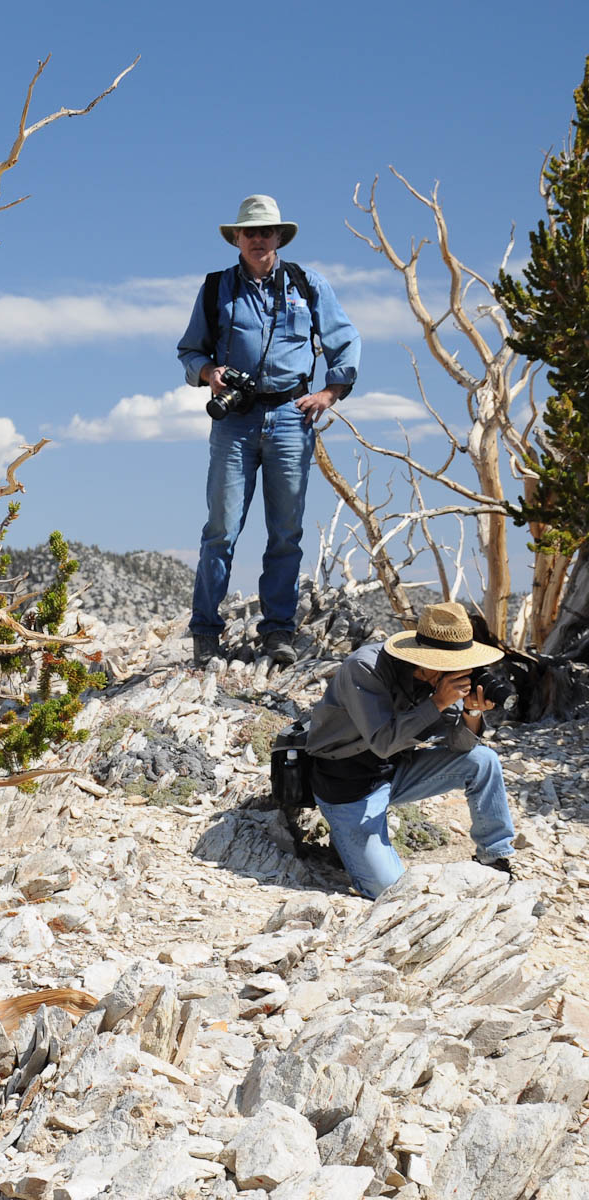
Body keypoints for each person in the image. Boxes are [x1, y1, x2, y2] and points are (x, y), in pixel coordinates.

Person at [177, 195, 361, 666]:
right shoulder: (216, 287)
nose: (258, 239)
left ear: (279, 236)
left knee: (285, 532)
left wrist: (330, 393)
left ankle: (278, 631)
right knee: (220, 529)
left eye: (266, 231)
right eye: (249, 232)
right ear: (236, 238)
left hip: (290, 419)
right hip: (235, 421)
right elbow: (190, 351)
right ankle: (205, 631)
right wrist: (208, 375)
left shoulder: (307, 283)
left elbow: (344, 338)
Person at [306, 601, 517, 899]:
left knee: (483, 761)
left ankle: (494, 858)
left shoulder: (443, 679)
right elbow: (382, 741)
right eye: (454, 663)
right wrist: (437, 703)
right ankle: (348, 842)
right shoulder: (365, 668)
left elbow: (459, 746)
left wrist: (471, 712)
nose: (463, 671)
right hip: (347, 786)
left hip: (396, 770)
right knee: (389, 890)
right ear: (428, 660)